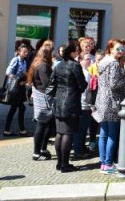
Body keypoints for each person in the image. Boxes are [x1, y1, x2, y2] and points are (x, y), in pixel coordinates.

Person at [47, 43, 88, 172]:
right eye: (77, 50)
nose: (79, 52)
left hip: (59, 101)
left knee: (60, 133)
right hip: (70, 102)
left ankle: (60, 163)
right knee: (68, 133)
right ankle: (65, 164)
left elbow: (51, 83)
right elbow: (82, 84)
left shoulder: (59, 65)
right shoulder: (75, 65)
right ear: (72, 52)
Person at [92, 39, 125, 174]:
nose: (121, 51)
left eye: (122, 49)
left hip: (101, 100)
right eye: (118, 49)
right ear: (110, 49)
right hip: (111, 101)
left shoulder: (102, 62)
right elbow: (114, 84)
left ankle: (103, 163)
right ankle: (108, 164)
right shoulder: (114, 63)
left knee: (104, 133)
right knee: (112, 134)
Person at [27, 47, 54, 160]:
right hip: (44, 99)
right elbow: (47, 83)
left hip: (41, 96)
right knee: (42, 125)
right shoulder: (43, 66)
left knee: (47, 124)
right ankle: (36, 153)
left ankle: (42, 149)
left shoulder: (36, 63)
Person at [4, 43, 29, 137]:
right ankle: (22, 131)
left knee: (14, 109)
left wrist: (27, 79)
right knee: (21, 108)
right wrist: (17, 81)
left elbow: (23, 72)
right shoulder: (16, 60)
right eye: (24, 51)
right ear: (19, 52)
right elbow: (8, 72)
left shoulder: (24, 61)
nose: (26, 53)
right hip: (15, 89)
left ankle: (7, 130)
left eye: (27, 52)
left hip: (20, 89)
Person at [72, 52, 93, 160]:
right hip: (82, 104)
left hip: (86, 104)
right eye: (87, 59)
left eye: (90, 59)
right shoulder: (82, 72)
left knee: (84, 129)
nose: (89, 61)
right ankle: (78, 151)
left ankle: (81, 147)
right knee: (80, 129)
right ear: (80, 60)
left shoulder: (87, 71)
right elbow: (83, 91)